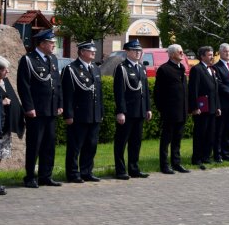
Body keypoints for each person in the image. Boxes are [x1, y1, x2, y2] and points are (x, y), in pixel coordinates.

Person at [17, 28, 63, 188]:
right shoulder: (28, 60)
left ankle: (46, 176)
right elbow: (24, 86)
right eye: (51, 43)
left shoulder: (53, 60)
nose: (53, 46)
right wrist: (29, 107)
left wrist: (59, 104)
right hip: (36, 110)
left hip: (51, 109)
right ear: (42, 44)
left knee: (49, 145)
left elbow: (57, 84)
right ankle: (30, 176)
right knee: (34, 144)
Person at [61, 40, 104, 183]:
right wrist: (68, 114)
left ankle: (86, 171)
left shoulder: (95, 68)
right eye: (90, 50)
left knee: (91, 145)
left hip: (94, 114)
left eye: (94, 50)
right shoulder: (71, 69)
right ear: (82, 52)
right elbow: (67, 94)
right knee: (75, 146)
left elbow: (99, 93)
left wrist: (100, 113)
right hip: (79, 115)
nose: (94, 52)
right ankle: (73, 173)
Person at [113, 39, 152, 180]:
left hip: (140, 110)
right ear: (127, 52)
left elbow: (145, 90)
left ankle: (134, 168)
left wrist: (148, 108)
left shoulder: (141, 68)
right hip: (128, 112)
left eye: (139, 50)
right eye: (135, 50)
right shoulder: (122, 68)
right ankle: (120, 170)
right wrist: (120, 111)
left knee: (136, 142)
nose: (138, 53)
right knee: (121, 142)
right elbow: (119, 92)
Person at [154, 44, 190, 174]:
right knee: (166, 140)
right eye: (180, 51)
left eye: (182, 51)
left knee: (177, 139)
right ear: (172, 54)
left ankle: (176, 163)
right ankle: (164, 165)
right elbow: (158, 93)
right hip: (170, 112)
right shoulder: (164, 69)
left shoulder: (182, 68)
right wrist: (163, 110)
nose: (182, 53)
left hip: (182, 111)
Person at [189, 46, 221, 169]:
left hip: (212, 107)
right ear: (202, 56)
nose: (212, 57)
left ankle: (206, 156)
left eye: (212, 54)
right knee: (200, 133)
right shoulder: (197, 69)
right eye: (209, 55)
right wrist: (195, 107)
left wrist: (217, 106)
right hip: (202, 108)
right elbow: (194, 90)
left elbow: (215, 90)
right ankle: (197, 158)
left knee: (210, 133)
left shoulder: (212, 69)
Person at [0, 56, 25, 195]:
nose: (7, 72)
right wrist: (1, 103)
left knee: (0, 155)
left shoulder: (4, 82)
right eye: (4, 69)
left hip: (4, 127)